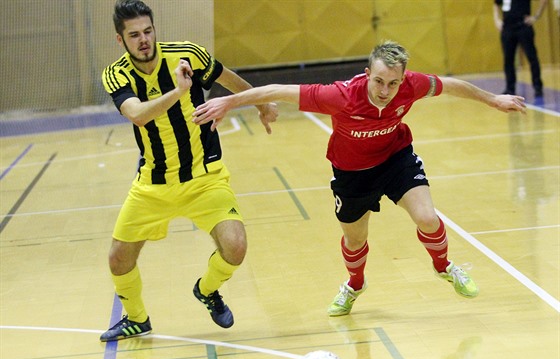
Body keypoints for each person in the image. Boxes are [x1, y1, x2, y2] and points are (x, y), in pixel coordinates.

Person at [193, 41, 527, 316]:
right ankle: (354, 285)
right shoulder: (340, 96)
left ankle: (443, 266)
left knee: (427, 216)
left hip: (396, 159)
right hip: (352, 174)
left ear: (403, 78)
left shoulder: (412, 85)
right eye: (379, 81)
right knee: (355, 241)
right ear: (367, 74)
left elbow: (451, 84)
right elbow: (279, 89)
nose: (385, 90)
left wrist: (493, 99)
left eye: (393, 83)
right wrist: (230, 100)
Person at [99, 0, 277, 342]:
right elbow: (137, 114)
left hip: (205, 178)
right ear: (120, 40)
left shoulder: (187, 55)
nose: (144, 40)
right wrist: (178, 92)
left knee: (236, 247)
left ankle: (207, 290)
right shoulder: (117, 74)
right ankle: (137, 319)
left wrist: (262, 102)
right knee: (118, 259)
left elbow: (228, 78)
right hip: (153, 184)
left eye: (148, 31)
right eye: (134, 35)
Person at [493, 0, 548, 97]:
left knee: (532, 57)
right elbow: (496, 4)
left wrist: (536, 16)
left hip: (523, 26)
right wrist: (496, 19)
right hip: (507, 27)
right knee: (508, 59)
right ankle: (510, 88)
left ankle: (537, 86)